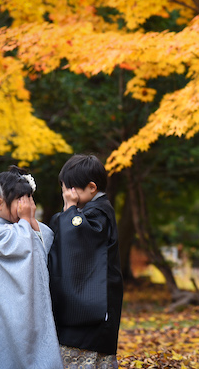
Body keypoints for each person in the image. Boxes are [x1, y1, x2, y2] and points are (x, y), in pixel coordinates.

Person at [0, 166, 63, 369]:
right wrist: (26, 221)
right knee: (15, 353)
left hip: (35, 302)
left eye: (28, 200)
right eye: (21, 200)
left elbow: (47, 240)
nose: (26, 206)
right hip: (13, 308)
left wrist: (31, 221)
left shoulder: (21, 225)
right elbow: (20, 244)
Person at [48, 154, 124, 368]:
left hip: (94, 313)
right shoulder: (89, 211)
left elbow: (80, 235)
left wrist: (70, 211)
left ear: (91, 187)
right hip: (88, 310)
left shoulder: (100, 212)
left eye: (70, 189)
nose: (66, 195)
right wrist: (69, 212)